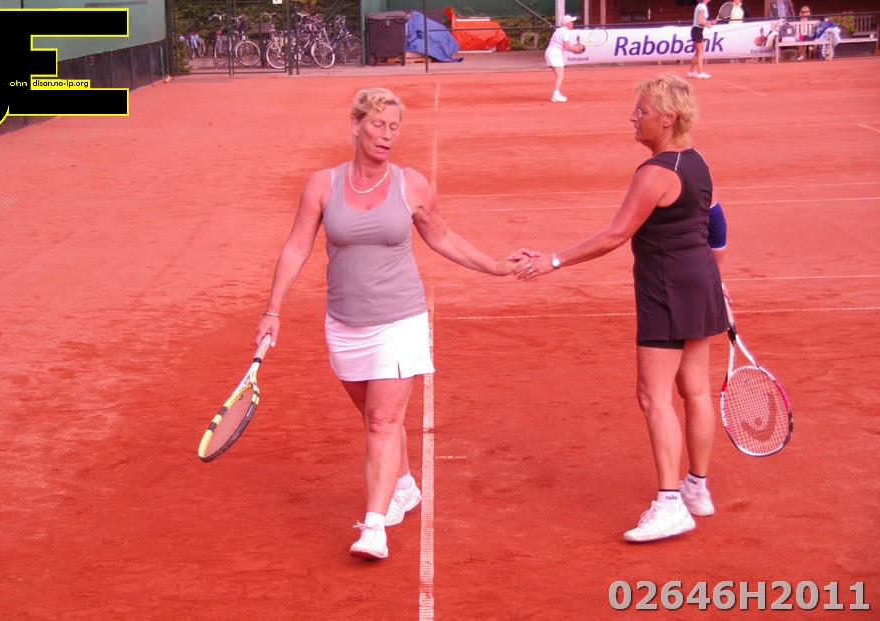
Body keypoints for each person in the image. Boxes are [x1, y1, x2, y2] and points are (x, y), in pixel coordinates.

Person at [253, 87, 527, 561]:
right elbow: (297, 246)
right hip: (344, 324)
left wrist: (495, 267)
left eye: (394, 127)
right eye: (378, 125)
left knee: (382, 420)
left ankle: (373, 526)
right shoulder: (322, 185)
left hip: (400, 320)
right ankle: (403, 486)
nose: (386, 135)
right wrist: (272, 310)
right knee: (375, 416)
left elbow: (441, 236)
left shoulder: (411, 184)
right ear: (355, 125)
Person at [513, 74, 728, 543]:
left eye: (642, 111)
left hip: (667, 290)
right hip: (700, 283)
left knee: (653, 395)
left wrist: (553, 261)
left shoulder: (654, 173)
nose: (633, 117)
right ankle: (697, 489)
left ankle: (670, 504)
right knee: (695, 390)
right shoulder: (697, 161)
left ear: (667, 118)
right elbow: (716, 220)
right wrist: (716, 280)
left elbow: (616, 234)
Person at [544, 15, 586, 103]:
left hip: (550, 53)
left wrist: (575, 48)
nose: (573, 23)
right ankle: (555, 96)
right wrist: (576, 49)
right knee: (560, 75)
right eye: (571, 22)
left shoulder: (560, 30)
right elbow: (567, 47)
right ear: (568, 23)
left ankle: (557, 93)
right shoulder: (565, 32)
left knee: (559, 75)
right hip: (555, 54)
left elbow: (565, 47)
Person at [688, 0, 716, 79]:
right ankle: (700, 73)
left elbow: (701, 21)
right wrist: (707, 25)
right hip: (697, 31)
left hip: (698, 31)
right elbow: (700, 22)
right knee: (700, 52)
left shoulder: (701, 6)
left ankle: (691, 72)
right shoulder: (702, 7)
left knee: (698, 52)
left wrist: (709, 23)